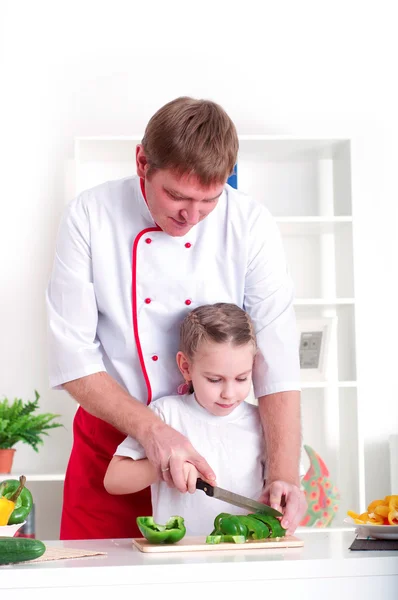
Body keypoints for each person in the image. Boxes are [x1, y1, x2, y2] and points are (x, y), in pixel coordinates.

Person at [46, 96, 306, 540]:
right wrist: (155, 433)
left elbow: (276, 359)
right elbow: (73, 359)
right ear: (143, 161)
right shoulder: (90, 216)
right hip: (114, 447)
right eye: (177, 195)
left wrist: (283, 474)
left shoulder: (250, 223)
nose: (191, 215)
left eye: (209, 200)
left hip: (212, 451)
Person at [104, 303, 271, 535]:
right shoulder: (166, 414)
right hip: (179, 555)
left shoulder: (262, 420)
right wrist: (164, 467)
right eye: (215, 380)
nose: (229, 393)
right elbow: (113, 480)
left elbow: (288, 488)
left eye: (242, 378)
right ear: (186, 367)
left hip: (248, 552)